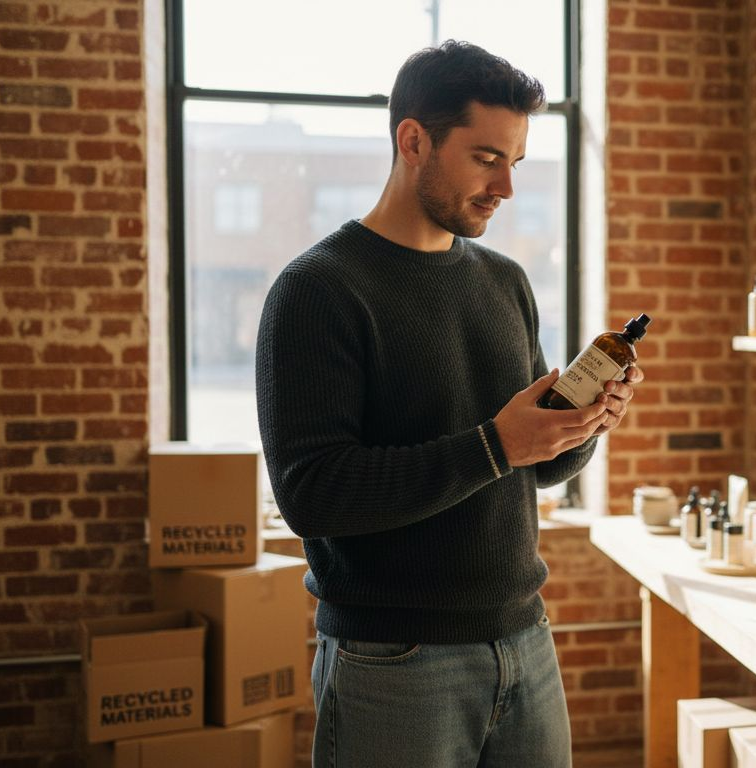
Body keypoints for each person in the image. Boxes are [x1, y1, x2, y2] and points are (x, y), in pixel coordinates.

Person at [255, 41, 641, 768]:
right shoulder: (317, 290)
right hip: (392, 661)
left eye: (515, 162)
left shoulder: (505, 281)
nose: (506, 187)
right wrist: (497, 444)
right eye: (486, 158)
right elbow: (312, 495)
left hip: (526, 641)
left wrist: (582, 426)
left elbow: (532, 468)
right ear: (413, 142)